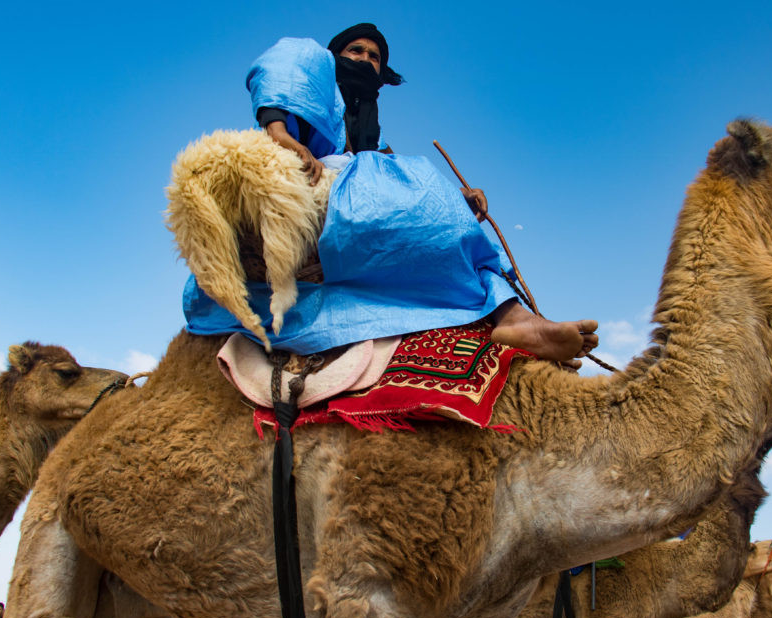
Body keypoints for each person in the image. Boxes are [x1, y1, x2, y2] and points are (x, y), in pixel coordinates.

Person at [184, 23, 598, 367]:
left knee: (446, 211)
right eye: (355, 50)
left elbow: (403, 192)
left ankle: (514, 317)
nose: (365, 59)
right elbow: (291, 60)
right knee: (416, 176)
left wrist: (459, 203)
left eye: (374, 57)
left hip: (357, 190)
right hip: (311, 174)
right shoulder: (316, 87)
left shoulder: (376, 146)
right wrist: (280, 135)